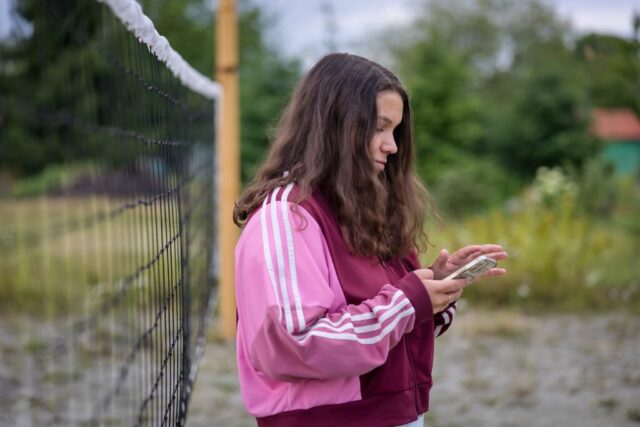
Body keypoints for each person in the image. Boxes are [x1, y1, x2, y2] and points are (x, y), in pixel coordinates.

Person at [232, 52, 507, 427]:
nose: (392, 146)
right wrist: (406, 302)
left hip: (396, 414)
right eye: (380, 128)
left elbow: (389, 326)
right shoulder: (286, 216)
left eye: (395, 131)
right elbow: (292, 344)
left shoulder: (361, 206)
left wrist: (433, 290)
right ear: (334, 124)